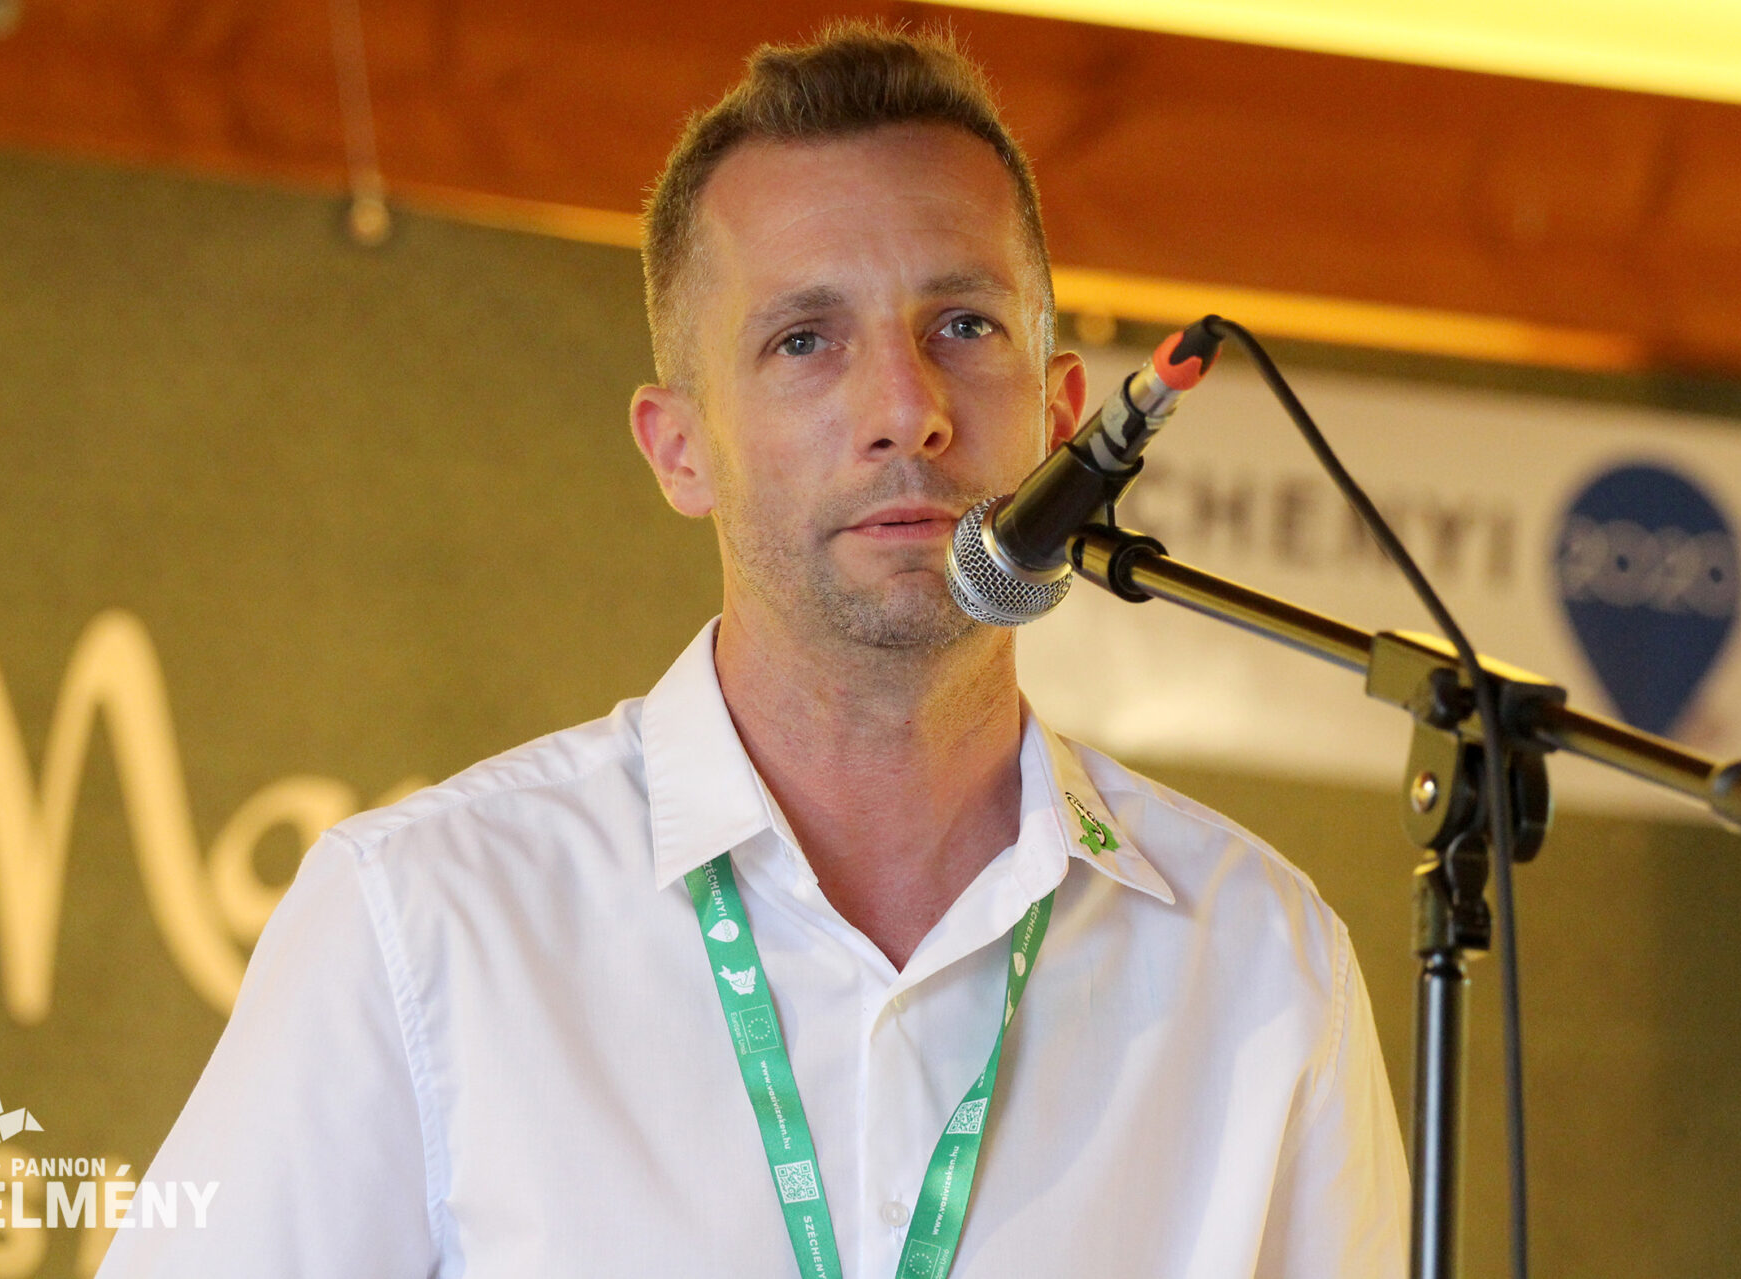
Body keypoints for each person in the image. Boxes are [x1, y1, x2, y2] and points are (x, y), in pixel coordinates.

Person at [99, 22, 1408, 1279]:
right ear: (680, 450)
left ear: (1064, 417)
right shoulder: (422, 921)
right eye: (804, 342)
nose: (906, 410)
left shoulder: (1263, 964)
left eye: (964, 325)